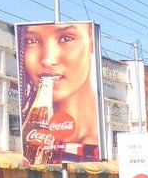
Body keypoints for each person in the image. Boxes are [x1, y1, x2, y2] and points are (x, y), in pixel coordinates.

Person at [17, 22, 100, 161]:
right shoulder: (29, 139)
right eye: (31, 41)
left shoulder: (101, 146)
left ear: (92, 41)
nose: (48, 60)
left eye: (66, 38)